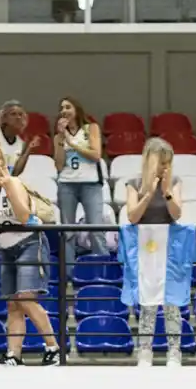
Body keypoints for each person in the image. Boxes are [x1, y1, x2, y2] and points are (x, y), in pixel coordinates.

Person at [0, 143, 59, 367]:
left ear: (3, 163)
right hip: (6, 247)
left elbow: (25, 215)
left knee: (26, 298)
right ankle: (13, 355)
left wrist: (8, 186)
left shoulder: (14, 182)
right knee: (13, 304)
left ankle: (53, 348)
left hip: (29, 241)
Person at [125, 137, 185, 367]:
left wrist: (166, 191)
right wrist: (149, 193)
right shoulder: (133, 183)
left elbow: (177, 214)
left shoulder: (175, 182)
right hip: (145, 249)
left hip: (169, 250)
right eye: (161, 163)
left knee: (172, 302)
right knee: (147, 302)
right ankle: (145, 350)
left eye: (168, 163)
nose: (165, 168)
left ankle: (174, 350)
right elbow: (132, 216)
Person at [54, 95, 107, 276]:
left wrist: (72, 143)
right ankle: (69, 276)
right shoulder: (59, 137)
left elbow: (95, 155)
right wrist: (62, 139)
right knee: (67, 232)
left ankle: (102, 272)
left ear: (77, 110)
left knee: (96, 229)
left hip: (90, 184)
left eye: (68, 107)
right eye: (62, 107)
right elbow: (59, 165)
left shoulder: (91, 128)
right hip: (67, 184)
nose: (64, 110)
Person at [0, 101, 35, 177]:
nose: (18, 117)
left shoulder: (22, 143)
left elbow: (15, 173)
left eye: (20, 114)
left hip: (7, 182)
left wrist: (28, 150)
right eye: (13, 114)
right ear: (4, 118)